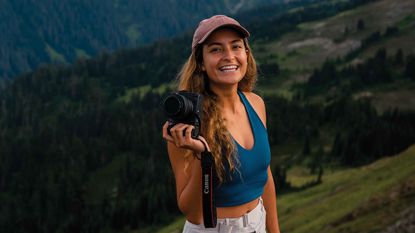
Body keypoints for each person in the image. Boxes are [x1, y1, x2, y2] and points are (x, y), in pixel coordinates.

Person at [162, 15, 281, 233]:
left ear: (246, 53)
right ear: (201, 63)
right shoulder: (190, 125)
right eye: (216, 49)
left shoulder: (256, 104)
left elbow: (265, 176)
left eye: (236, 46)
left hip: (258, 223)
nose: (229, 56)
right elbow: (193, 214)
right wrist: (203, 156)